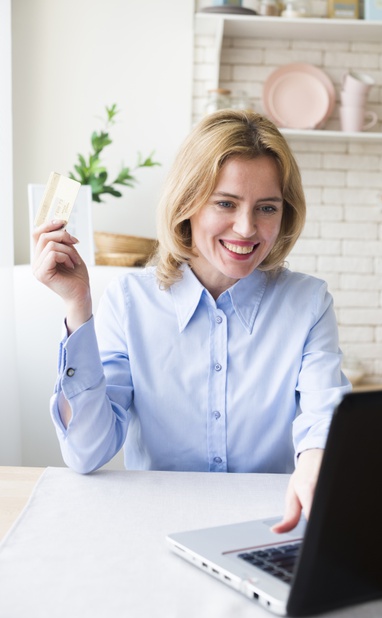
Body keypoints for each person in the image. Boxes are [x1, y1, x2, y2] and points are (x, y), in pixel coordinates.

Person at [32, 109, 351, 533]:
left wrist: (316, 464)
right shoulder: (129, 303)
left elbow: (323, 416)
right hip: (156, 528)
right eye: (226, 203)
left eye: (267, 208)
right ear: (187, 203)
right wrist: (78, 306)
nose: (247, 228)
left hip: (268, 529)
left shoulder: (308, 303)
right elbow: (87, 452)